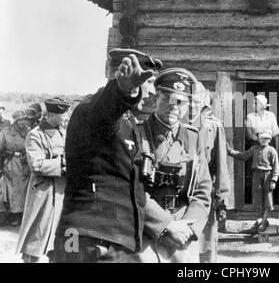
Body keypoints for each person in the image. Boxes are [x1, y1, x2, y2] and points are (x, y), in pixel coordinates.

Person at [54, 48, 183, 263]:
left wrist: (166, 223)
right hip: (87, 240)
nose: (151, 92)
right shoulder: (91, 110)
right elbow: (105, 109)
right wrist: (125, 90)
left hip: (112, 242)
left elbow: (134, 189)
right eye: (148, 83)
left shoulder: (128, 122)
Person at [139, 68, 212, 263]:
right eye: (168, 99)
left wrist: (188, 229)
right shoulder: (138, 135)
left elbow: (203, 190)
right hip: (145, 232)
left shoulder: (193, 138)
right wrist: (165, 226)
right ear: (155, 100)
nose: (174, 106)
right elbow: (133, 191)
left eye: (181, 102)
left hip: (183, 236)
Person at [16, 98, 70, 263]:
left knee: (63, 239)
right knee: (36, 238)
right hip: (44, 193)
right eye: (64, 114)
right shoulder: (35, 135)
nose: (67, 117)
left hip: (63, 192)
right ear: (51, 115)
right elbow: (36, 165)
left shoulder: (63, 131)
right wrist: (63, 162)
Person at [188, 81, 230, 263]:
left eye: (196, 99)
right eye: (188, 99)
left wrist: (222, 200)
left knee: (204, 251)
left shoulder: (214, 127)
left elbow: (221, 166)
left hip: (204, 197)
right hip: (176, 199)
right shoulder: (175, 124)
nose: (192, 104)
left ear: (204, 101)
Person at [227, 131, 279, 233]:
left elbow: (276, 167)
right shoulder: (254, 149)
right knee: (258, 199)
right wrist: (230, 152)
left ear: (270, 140)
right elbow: (243, 156)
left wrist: (273, 180)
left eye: (266, 138)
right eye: (262, 138)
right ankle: (262, 220)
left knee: (267, 199)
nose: (264, 140)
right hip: (256, 175)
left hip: (267, 176)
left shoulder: (272, 151)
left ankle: (263, 222)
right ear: (258, 139)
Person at [0, 110, 30, 227]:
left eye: (24, 119)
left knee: (22, 190)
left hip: (24, 163)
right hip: (10, 163)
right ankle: (13, 215)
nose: (23, 122)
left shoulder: (28, 132)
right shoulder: (6, 132)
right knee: (11, 191)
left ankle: (19, 215)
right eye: (21, 120)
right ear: (15, 121)